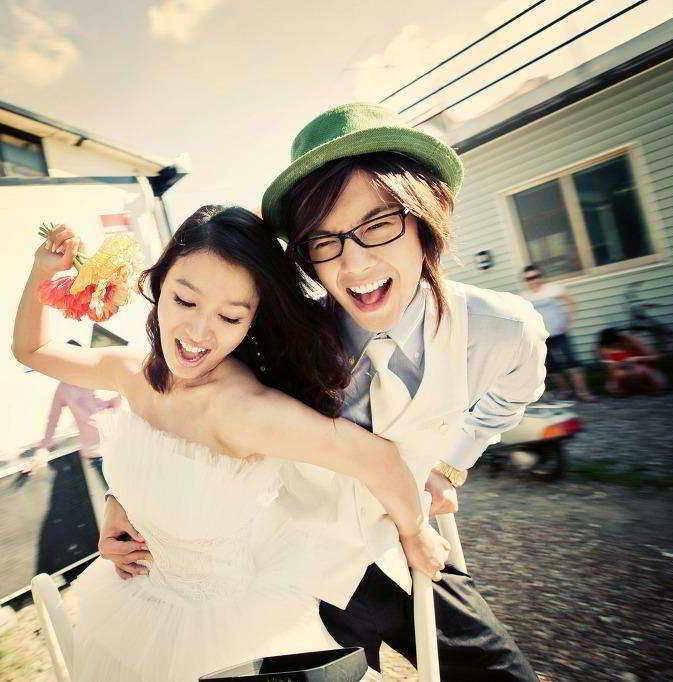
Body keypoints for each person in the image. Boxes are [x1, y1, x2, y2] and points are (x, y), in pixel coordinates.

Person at [103, 103, 547, 680]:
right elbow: (169, 406)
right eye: (323, 239)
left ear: (427, 216)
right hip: (284, 568)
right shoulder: (272, 337)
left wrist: (449, 465)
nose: (354, 263)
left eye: (378, 225)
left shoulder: (500, 330)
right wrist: (123, 501)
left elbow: (510, 398)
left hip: (400, 552)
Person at [13, 205, 449, 681]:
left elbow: (377, 459)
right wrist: (42, 271)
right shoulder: (135, 372)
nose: (199, 333)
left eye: (229, 316)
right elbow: (32, 351)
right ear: (158, 285)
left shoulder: (243, 411)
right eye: (184, 301)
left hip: (222, 630)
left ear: (252, 321)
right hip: (134, 600)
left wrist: (415, 532)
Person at [35, 357, 121, 489]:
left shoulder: (100, 378)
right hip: (97, 453)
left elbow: (121, 404)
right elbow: (53, 419)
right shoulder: (64, 388)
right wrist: (43, 449)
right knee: (119, 496)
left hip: (119, 448)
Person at [521, 264, 596, 402]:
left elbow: (571, 302)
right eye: (529, 279)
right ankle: (565, 391)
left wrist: (568, 321)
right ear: (525, 281)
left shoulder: (552, 289)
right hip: (542, 337)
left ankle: (583, 393)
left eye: (536, 276)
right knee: (552, 366)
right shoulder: (525, 297)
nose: (533, 280)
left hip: (560, 333)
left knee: (572, 362)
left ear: (541, 276)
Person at [596, 327, 667, 395]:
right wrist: (614, 367)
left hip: (645, 371)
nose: (614, 347)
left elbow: (655, 357)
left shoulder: (631, 340)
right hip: (625, 374)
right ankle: (635, 389)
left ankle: (649, 387)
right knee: (612, 385)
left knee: (642, 372)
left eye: (616, 345)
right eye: (610, 346)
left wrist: (638, 359)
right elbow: (610, 371)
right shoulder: (604, 348)